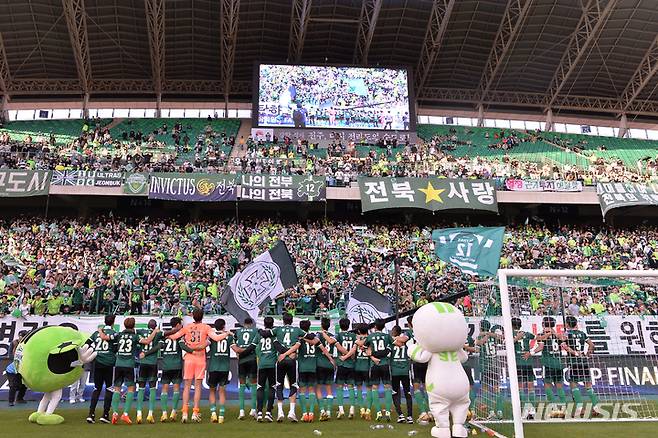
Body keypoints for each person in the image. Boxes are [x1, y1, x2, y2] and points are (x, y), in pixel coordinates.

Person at [166, 307, 229, 423]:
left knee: (186, 386)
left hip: (189, 358)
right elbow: (216, 337)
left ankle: (184, 413)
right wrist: (227, 334)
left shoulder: (187, 327)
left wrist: (165, 334)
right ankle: (195, 412)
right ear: (202, 316)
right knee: (198, 386)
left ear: (192, 316)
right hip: (200, 358)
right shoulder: (206, 327)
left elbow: (174, 336)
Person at [98, 317, 159, 424]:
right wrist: (154, 331)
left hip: (118, 364)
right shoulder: (135, 336)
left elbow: (103, 337)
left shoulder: (119, 334)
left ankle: (115, 413)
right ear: (134, 325)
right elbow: (147, 341)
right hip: (129, 365)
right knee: (131, 389)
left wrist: (99, 330)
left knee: (117, 389)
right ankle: (125, 414)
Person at [561, 316, 599, 418]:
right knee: (588, 385)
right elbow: (592, 345)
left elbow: (563, 346)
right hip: (584, 361)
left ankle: (580, 409)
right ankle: (596, 407)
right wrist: (588, 354)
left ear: (567, 325)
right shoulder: (582, 334)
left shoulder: (566, 333)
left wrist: (574, 353)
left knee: (573, 384)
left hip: (573, 362)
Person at [272, 312, 304, 422]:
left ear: (283, 320)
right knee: (293, 384)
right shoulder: (297, 330)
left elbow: (267, 335)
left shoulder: (278, 329)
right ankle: (292, 412)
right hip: (292, 360)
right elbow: (309, 336)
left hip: (280, 360)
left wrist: (283, 353)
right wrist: (290, 352)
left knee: (279, 384)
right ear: (292, 320)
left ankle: (280, 412)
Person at [361, 319, 394, 422]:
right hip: (384, 364)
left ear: (375, 326)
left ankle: (379, 412)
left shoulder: (370, 337)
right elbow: (391, 348)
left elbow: (364, 348)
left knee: (374, 388)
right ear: (383, 327)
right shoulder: (387, 336)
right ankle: (388, 412)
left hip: (374, 365)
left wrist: (373, 356)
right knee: (387, 387)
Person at [87, 314, 117, 424]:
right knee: (109, 388)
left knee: (97, 388)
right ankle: (105, 414)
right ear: (113, 322)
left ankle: (91, 414)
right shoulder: (115, 333)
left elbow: (87, 343)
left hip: (98, 362)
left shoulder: (96, 333)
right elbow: (115, 348)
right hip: (109, 363)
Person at [536, 316, 567, 417]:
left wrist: (531, 352)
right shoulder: (558, 335)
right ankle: (564, 409)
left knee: (547, 386)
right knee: (559, 386)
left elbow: (539, 344)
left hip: (548, 363)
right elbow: (564, 340)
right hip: (558, 363)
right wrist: (554, 333)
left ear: (543, 324)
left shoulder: (542, 334)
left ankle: (554, 409)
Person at [327, 317, 358, 419]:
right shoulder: (354, 336)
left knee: (339, 387)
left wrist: (344, 356)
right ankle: (352, 409)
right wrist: (350, 355)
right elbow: (355, 349)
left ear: (340, 326)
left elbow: (332, 342)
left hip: (342, 364)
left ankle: (341, 410)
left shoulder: (339, 335)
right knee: (351, 387)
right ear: (348, 325)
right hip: (352, 365)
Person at [135, 319, 163, 424]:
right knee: (152, 388)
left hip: (143, 363)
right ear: (155, 326)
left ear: (147, 325)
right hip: (152, 363)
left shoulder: (140, 332)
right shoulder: (158, 334)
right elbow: (159, 346)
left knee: (141, 388)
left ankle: (139, 414)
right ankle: (150, 414)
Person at [207, 318, 233, 424]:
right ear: (224, 326)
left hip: (213, 367)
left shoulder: (212, 336)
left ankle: (213, 413)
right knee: (222, 391)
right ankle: (221, 415)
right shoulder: (228, 336)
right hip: (224, 367)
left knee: (212, 390)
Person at [476, 320, 504, 419]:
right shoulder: (494, 336)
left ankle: (492, 412)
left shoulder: (480, 336)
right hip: (495, 366)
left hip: (486, 366)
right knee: (497, 389)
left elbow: (479, 343)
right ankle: (499, 411)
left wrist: (485, 335)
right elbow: (501, 338)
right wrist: (490, 334)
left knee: (486, 390)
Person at [233, 317, 259, 420]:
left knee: (242, 385)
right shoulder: (255, 331)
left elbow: (234, 343)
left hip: (242, 360)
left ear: (243, 323)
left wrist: (238, 352)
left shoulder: (238, 331)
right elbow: (257, 344)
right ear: (252, 324)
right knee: (254, 385)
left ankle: (242, 411)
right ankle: (253, 409)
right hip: (252, 358)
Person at [512, 317, 537, 420]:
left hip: (518, 363)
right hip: (528, 363)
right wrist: (531, 351)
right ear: (520, 324)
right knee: (531, 387)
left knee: (521, 387)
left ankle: (525, 410)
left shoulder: (512, 334)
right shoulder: (526, 333)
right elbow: (538, 338)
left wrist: (517, 338)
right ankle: (533, 410)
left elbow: (506, 343)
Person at [407, 316, 430, 423]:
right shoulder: (425, 332)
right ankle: (431, 412)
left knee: (416, 387)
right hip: (426, 360)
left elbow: (403, 341)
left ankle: (423, 412)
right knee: (427, 387)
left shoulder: (409, 333)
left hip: (416, 362)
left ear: (410, 324)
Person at [255, 316, 277, 422]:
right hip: (272, 364)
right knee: (272, 387)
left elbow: (255, 348)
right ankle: (268, 412)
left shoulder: (259, 335)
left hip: (262, 364)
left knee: (260, 387)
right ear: (272, 324)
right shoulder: (274, 335)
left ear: (264, 324)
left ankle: (259, 412)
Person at [389, 325, 413, 424]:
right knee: (408, 393)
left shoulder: (392, 343)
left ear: (394, 332)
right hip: (405, 371)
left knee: (395, 393)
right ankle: (410, 416)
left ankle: (400, 415)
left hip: (395, 371)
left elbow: (387, 355)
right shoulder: (406, 343)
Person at [315, 317, 337, 421]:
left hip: (320, 363)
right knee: (329, 388)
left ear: (321, 325)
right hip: (329, 364)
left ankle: (322, 410)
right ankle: (328, 412)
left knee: (318, 388)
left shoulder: (318, 335)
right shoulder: (332, 336)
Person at [354, 323, 372, 420]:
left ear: (359, 331)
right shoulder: (370, 339)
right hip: (367, 367)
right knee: (369, 388)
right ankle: (368, 410)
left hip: (358, 366)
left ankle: (361, 409)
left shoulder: (356, 340)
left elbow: (353, 353)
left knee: (359, 388)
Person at [6, 338, 27, 407]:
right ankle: (10, 401)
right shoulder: (15, 344)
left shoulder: (26, 346)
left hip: (20, 370)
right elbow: (11, 356)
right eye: (21, 336)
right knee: (13, 386)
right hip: (12, 370)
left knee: (24, 385)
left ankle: (19, 399)